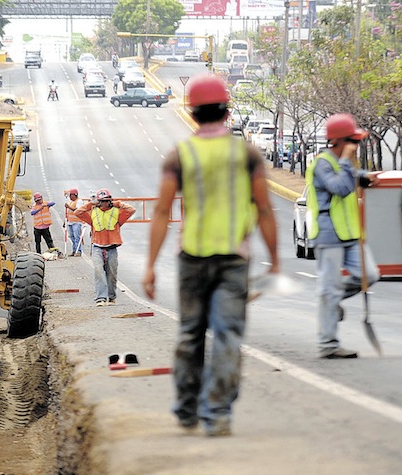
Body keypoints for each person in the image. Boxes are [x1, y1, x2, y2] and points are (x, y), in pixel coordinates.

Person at [142, 74, 279, 437]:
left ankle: (187, 409)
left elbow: (160, 212)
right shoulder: (246, 153)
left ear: (192, 112)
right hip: (234, 259)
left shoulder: (179, 155)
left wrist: (150, 266)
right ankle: (217, 413)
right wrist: (275, 260)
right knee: (227, 335)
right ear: (226, 110)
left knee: (190, 333)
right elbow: (265, 209)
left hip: (191, 257)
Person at [306, 113, 381, 359]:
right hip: (328, 235)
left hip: (350, 234)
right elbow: (339, 187)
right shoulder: (322, 163)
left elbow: (353, 178)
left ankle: (332, 301)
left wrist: (366, 177)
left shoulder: (346, 162)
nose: (356, 146)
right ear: (338, 141)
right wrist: (350, 164)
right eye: (352, 141)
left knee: (369, 275)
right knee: (328, 289)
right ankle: (328, 344)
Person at [75, 188, 135, 306]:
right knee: (98, 272)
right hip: (97, 247)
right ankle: (100, 298)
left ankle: (111, 296)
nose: (104, 203)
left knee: (111, 274)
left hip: (112, 248)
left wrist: (118, 203)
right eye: (102, 201)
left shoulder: (117, 213)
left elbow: (131, 209)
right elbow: (78, 212)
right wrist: (90, 204)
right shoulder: (93, 212)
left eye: (107, 201)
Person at [64, 188, 84, 257]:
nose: (69, 197)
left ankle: (78, 251)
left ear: (75, 195)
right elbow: (68, 212)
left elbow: (77, 210)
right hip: (70, 222)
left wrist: (68, 207)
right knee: (71, 237)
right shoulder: (71, 202)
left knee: (77, 237)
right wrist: (65, 221)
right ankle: (74, 250)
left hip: (76, 222)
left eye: (71, 195)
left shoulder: (79, 201)